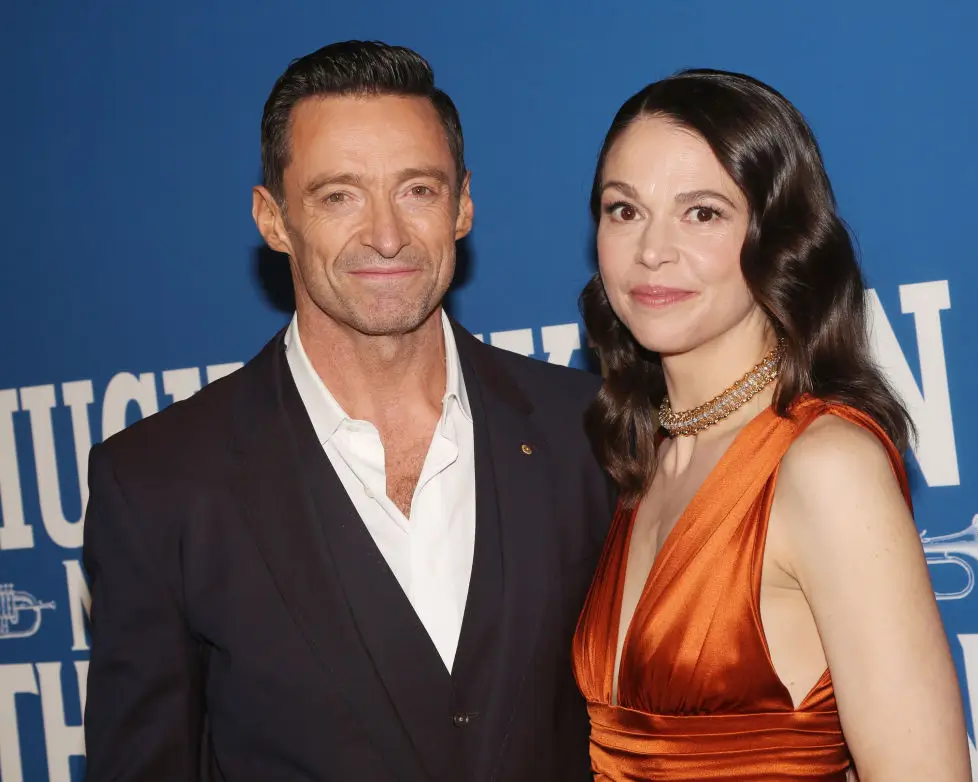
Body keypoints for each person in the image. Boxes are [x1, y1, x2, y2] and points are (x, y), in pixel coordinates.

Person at [82, 40, 615, 782]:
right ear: (273, 219)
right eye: (339, 195)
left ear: (463, 205)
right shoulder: (157, 484)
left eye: (417, 190)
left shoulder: (588, 431)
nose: (386, 235)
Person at [571, 69, 972, 780]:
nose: (651, 250)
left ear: (779, 235)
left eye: (702, 213)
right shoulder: (645, 464)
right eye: (623, 210)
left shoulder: (824, 466)